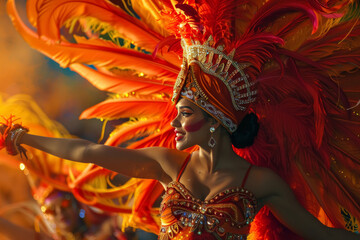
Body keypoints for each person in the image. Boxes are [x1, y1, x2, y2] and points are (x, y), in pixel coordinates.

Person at [3, 0, 360, 239]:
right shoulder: (167, 165)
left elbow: (323, 235)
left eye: (185, 114)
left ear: (216, 120)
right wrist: (25, 139)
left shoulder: (260, 182)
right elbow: (88, 152)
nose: (173, 123)